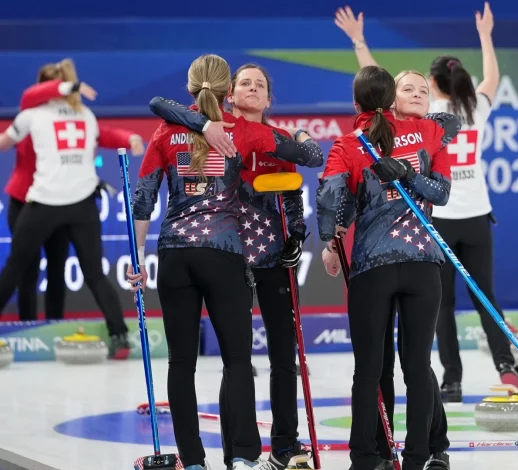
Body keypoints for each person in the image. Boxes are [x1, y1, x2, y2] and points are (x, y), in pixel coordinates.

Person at [127, 53, 321, 470]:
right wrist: (301, 134)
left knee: (181, 363)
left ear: (191, 87)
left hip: (174, 254)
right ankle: (245, 459)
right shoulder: (243, 131)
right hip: (223, 254)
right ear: (228, 91)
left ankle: (194, 461)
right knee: (237, 360)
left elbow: (142, 200)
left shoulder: (166, 131)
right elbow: (310, 156)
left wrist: (136, 258)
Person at [334, 2, 518, 403]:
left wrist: (359, 42)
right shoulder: (475, 108)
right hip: (477, 217)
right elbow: (493, 77)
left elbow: (381, 84)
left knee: (444, 304)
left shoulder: (426, 113)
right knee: (486, 296)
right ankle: (507, 364)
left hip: (436, 217)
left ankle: (452, 380)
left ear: (432, 85)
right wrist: (486, 35)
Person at [317, 65, 460, 470]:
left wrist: (330, 239)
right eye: (407, 89)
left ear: (356, 102)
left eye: (422, 90)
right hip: (420, 265)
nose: (417, 95)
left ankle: (366, 459)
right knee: (416, 367)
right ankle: (415, 458)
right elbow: (442, 193)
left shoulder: (349, 143)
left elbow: (330, 204)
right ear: (390, 98)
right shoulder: (430, 133)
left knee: (370, 370)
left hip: (374, 267)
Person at [0, 58, 131, 359]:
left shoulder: (31, 114)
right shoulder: (86, 114)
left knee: (16, 267)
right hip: (82, 204)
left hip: (45, 202)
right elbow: (101, 139)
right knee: (94, 274)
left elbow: (7, 140)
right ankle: (120, 336)